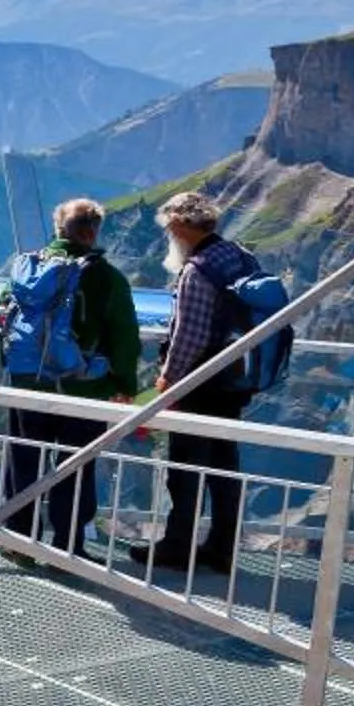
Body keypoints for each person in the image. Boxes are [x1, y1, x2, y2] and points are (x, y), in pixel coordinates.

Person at [0, 197, 141, 560]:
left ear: (59, 228)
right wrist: (123, 385)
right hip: (84, 390)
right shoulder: (107, 277)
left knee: (23, 460)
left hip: (29, 385)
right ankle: (67, 548)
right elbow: (124, 337)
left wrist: (17, 364)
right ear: (93, 232)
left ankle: (19, 541)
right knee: (75, 466)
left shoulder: (29, 268)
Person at [130, 191, 260, 575]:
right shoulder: (239, 256)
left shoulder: (197, 270)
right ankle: (221, 549)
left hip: (201, 383)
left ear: (184, 225)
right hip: (235, 378)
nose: (168, 234)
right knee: (223, 466)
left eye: (170, 226)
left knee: (186, 467)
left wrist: (168, 378)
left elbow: (190, 332)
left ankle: (177, 546)